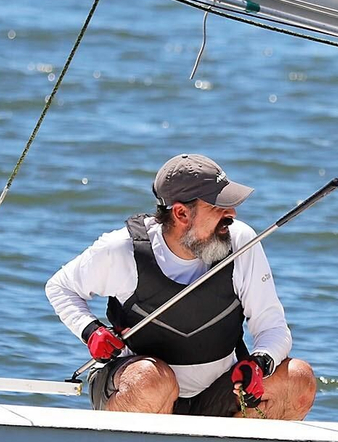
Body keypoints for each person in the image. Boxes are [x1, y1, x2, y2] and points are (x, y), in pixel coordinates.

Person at [46, 153, 316, 419]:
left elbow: (274, 328)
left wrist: (260, 362)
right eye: (218, 206)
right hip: (139, 386)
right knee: (151, 383)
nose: (232, 214)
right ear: (181, 213)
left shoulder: (241, 241)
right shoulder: (121, 249)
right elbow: (60, 287)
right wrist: (91, 331)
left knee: (299, 380)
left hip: (216, 391)